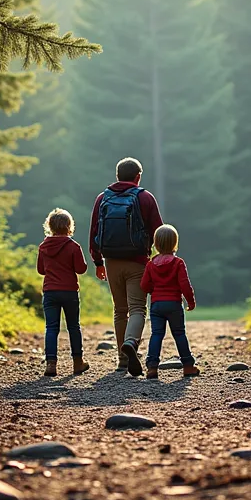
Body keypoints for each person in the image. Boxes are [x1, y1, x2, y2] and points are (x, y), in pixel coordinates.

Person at [89, 157, 163, 376]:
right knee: (138, 308)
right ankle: (131, 342)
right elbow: (158, 231)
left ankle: (122, 360)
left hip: (111, 261)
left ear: (117, 175)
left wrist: (97, 261)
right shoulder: (145, 197)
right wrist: (159, 261)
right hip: (138, 261)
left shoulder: (102, 198)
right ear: (138, 176)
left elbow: (94, 232)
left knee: (120, 310)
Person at [140, 224, 200, 379]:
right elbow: (185, 285)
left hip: (157, 305)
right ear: (175, 243)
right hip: (174, 304)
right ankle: (188, 366)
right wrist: (190, 302)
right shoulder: (178, 263)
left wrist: (154, 290)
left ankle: (152, 367)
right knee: (179, 334)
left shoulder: (151, 264)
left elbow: (144, 286)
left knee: (156, 335)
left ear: (156, 244)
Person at [37, 208, 89, 377]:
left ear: (50, 226)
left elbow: (41, 270)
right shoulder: (73, 246)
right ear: (69, 226)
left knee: (51, 328)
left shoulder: (43, 246)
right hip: (69, 292)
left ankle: (51, 364)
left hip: (50, 291)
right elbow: (81, 269)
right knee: (73, 327)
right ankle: (77, 363)